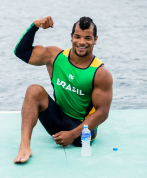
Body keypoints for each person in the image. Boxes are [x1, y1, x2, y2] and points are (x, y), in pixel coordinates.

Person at [13, 16, 113, 163]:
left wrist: (72, 134)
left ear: (95, 39)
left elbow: (102, 112)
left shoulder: (100, 73)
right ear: (71, 37)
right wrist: (35, 26)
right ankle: (24, 146)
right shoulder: (55, 56)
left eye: (88, 38)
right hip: (57, 118)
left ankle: (73, 136)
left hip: (82, 127)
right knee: (33, 90)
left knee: (79, 143)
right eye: (77, 37)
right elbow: (21, 52)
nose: (82, 42)